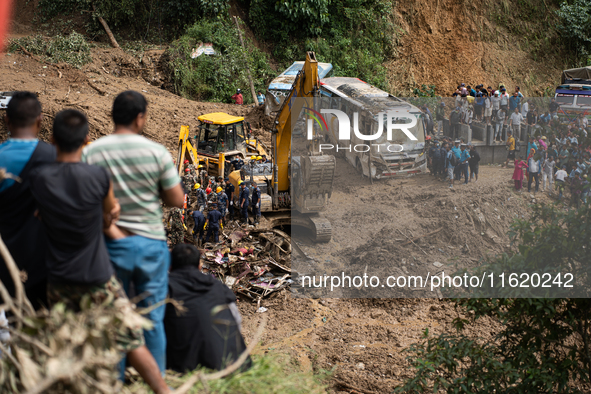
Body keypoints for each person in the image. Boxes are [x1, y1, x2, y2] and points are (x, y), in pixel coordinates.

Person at [29, 109, 169, 394]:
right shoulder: (98, 176)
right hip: (97, 276)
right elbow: (112, 211)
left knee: (66, 343)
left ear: (52, 139)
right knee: (130, 339)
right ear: (87, 140)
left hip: (57, 279)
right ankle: (164, 391)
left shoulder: (40, 178)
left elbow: (39, 214)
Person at [82, 91, 184, 373]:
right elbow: (176, 199)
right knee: (151, 318)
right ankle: (156, 380)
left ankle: (113, 382)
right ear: (140, 118)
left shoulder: (93, 152)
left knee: (113, 318)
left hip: (109, 245)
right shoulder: (156, 152)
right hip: (150, 244)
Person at [0, 91, 56, 309]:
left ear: (6, 120)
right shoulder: (54, 157)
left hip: (4, 262)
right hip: (44, 264)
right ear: (40, 120)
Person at [164, 244, 251, 373]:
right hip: (234, 365)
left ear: (169, 266)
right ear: (200, 266)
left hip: (187, 370)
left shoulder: (164, 288)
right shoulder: (218, 286)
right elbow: (236, 321)